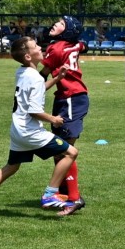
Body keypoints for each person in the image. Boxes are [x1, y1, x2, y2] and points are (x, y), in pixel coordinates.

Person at [0, 36, 81, 218]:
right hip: (30, 132)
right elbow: (34, 111)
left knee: (11, 167)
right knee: (71, 153)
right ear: (28, 56)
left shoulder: (22, 72)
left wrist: (58, 78)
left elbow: (38, 88)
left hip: (18, 129)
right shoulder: (34, 77)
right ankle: (50, 194)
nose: (40, 47)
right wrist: (53, 120)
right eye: (35, 46)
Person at [39, 16, 89, 211]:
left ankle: (74, 199)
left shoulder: (57, 48)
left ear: (67, 31)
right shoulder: (75, 44)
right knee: (60, 150)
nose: (55, 24)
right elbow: (84, 46)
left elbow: (43, 73)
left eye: (61, 24)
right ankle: (63, 194)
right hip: (70, 98)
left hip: (70, 98)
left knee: (65, 150)